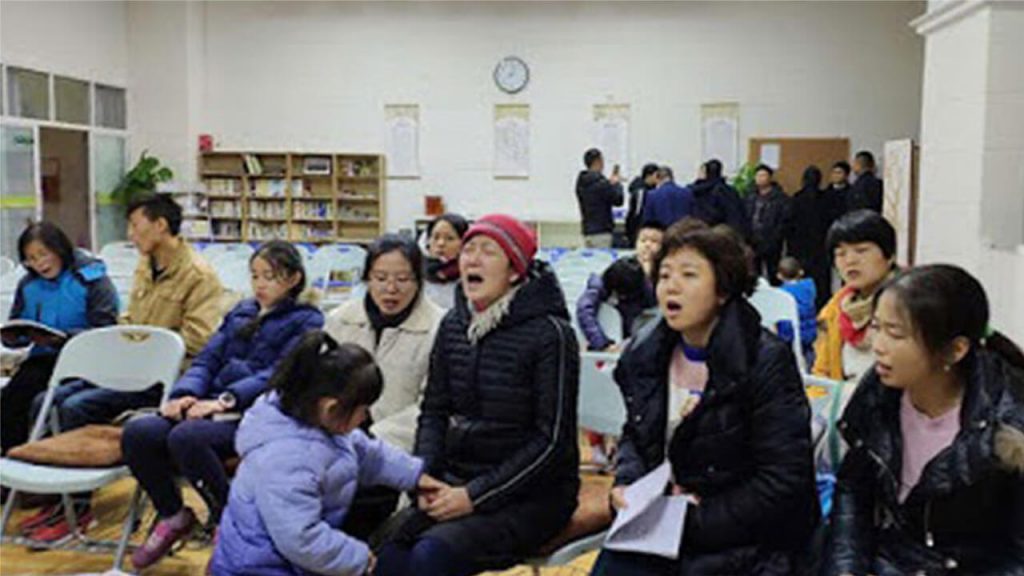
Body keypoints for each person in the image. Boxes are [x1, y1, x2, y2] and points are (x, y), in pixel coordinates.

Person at [591, 219, 819, 575]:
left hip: (746, 537)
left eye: (689, 275)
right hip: (662, 524)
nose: (671, 287)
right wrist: (627, 482)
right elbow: (637, 434)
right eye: (664, 275)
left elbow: (783, 480)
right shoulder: (647, 352)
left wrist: (694, 520)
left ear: (723, 289)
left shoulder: (764, 359)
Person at [377, 214, 579, 576]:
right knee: (390, 551)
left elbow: (552, 442)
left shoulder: (552, 335)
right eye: (469, 249)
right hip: (457, 481)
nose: (472, 259)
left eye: (489, 252)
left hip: (533, 494)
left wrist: (475, 496)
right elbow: (434, 411)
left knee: (431, 555)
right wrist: (424, 478)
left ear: (515, 271)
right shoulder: (454, 324)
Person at [121, 241, 323, 570]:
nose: (260, 284)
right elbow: (208, 358)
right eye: (255, 276)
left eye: (270, 277)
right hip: (209, 405)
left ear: (293, 279)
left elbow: (279, 374)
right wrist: (183, 393)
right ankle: (174, 514)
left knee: (187, 437)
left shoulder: (307, 321)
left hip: (256, 414)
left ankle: (228, 519)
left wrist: (225, 399)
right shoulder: (241, 312)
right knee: (139, 432)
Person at [824, 264, 1024, 575]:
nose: (878, 346)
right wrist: (846, 568)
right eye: (877, 327)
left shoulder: (1007, 428)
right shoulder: (879, 392)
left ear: (955, 350)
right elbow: (853, 491)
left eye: (896, 334)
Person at [209, 332, 436, 576]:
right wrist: (358, 558)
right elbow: (301, 539)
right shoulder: (287, 461)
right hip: (260, 568)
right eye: (362, 410)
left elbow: (368, 453)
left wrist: (416, 477)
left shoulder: (319, 424)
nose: (365, 417)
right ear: (331, 407)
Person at [325, 234, 443, 538]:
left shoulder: (439, 328)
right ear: (366, 278)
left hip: (396, 444)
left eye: (403, 279)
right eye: (380, 278)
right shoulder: (340, 321)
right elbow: (319, 386)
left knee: (358, 494)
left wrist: (371, 438)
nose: (391, 289)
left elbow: (432, 405)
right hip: (334, 438)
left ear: (419, 281)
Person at [2, 222, 119, 457]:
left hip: (86, 360)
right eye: (31, 259)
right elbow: (17, 323)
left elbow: (105, 328)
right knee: (14, 397)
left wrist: (66, 338)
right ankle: (12, 459)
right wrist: (15, 336)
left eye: (43, 255)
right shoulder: (28, 284)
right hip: (43, 358)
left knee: (36, 396)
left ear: (59, 249)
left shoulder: (91, 278)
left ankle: (30, 457)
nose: (39, 264)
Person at [121, 193, 223, 358]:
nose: (130, 234)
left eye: (135, 225)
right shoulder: (145, 265)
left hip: (173, 366)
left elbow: (198, 339)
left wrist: (145, 346)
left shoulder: (199, 275)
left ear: (160, 225)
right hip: (137, 360)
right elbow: (132, 317)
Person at [814, 210, 898, 383]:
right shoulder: (833, 310)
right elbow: (821, 373)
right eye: (840, 254)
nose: (850, 260)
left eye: (861, 250)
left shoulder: (910, 304)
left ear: (889, 256)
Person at [576, 221, 662, 351]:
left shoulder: (666, 279)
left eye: (654, 241)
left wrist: (648, 279)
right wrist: (602, 343)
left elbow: (657, 317)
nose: (647, 245)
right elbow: (585, 309)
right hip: (614, 336)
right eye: (643, 240)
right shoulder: (616, 271)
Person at [786, 165, 839, 309]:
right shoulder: (828, 198)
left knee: (801, 281)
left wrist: (790, 249)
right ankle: (823, 311)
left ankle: (803, 308)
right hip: (821, 247)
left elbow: (789, 226)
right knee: (822, 284)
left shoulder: (796, 199)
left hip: (800, 248)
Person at [745, 164, 791, 285]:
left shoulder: (780, 198)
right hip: (753, 240)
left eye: (763, 175)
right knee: (754, 273)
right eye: (758, 175)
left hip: (772, 240)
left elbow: (784, 220)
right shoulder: (749, 196)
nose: (760, 178)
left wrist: (776, 236)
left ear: (770, 178)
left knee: (773, 273)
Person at [689, 159, 751, 240]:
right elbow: (736, 215)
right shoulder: (728, 191)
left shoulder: (695, 191)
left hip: (701, 234)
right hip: (724, 235)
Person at [575, 148, 624, 248]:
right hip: (602, 232)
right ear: (598, 161)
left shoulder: (581, 182)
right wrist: (616, 184)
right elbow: (618, 200)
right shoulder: (602, 183)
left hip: (587, 231)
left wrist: (609, 183)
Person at [777, 256, 817, 366]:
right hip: (809, 333)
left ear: (779, 276)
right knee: (809, 355)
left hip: (789, 334)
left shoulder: (781, 293)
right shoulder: (809, 287)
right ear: (801, 272)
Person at [423, 213, 469, 310]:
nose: (441, 243)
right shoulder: (416, 274)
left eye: (450, 238)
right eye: (435, 237)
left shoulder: (469, 276)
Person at [625, 163, 660, 245]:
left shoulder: (651, 190)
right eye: (656, 176)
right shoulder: (641, 192)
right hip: (638, 228)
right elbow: (637, 212)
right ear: (649, 176)